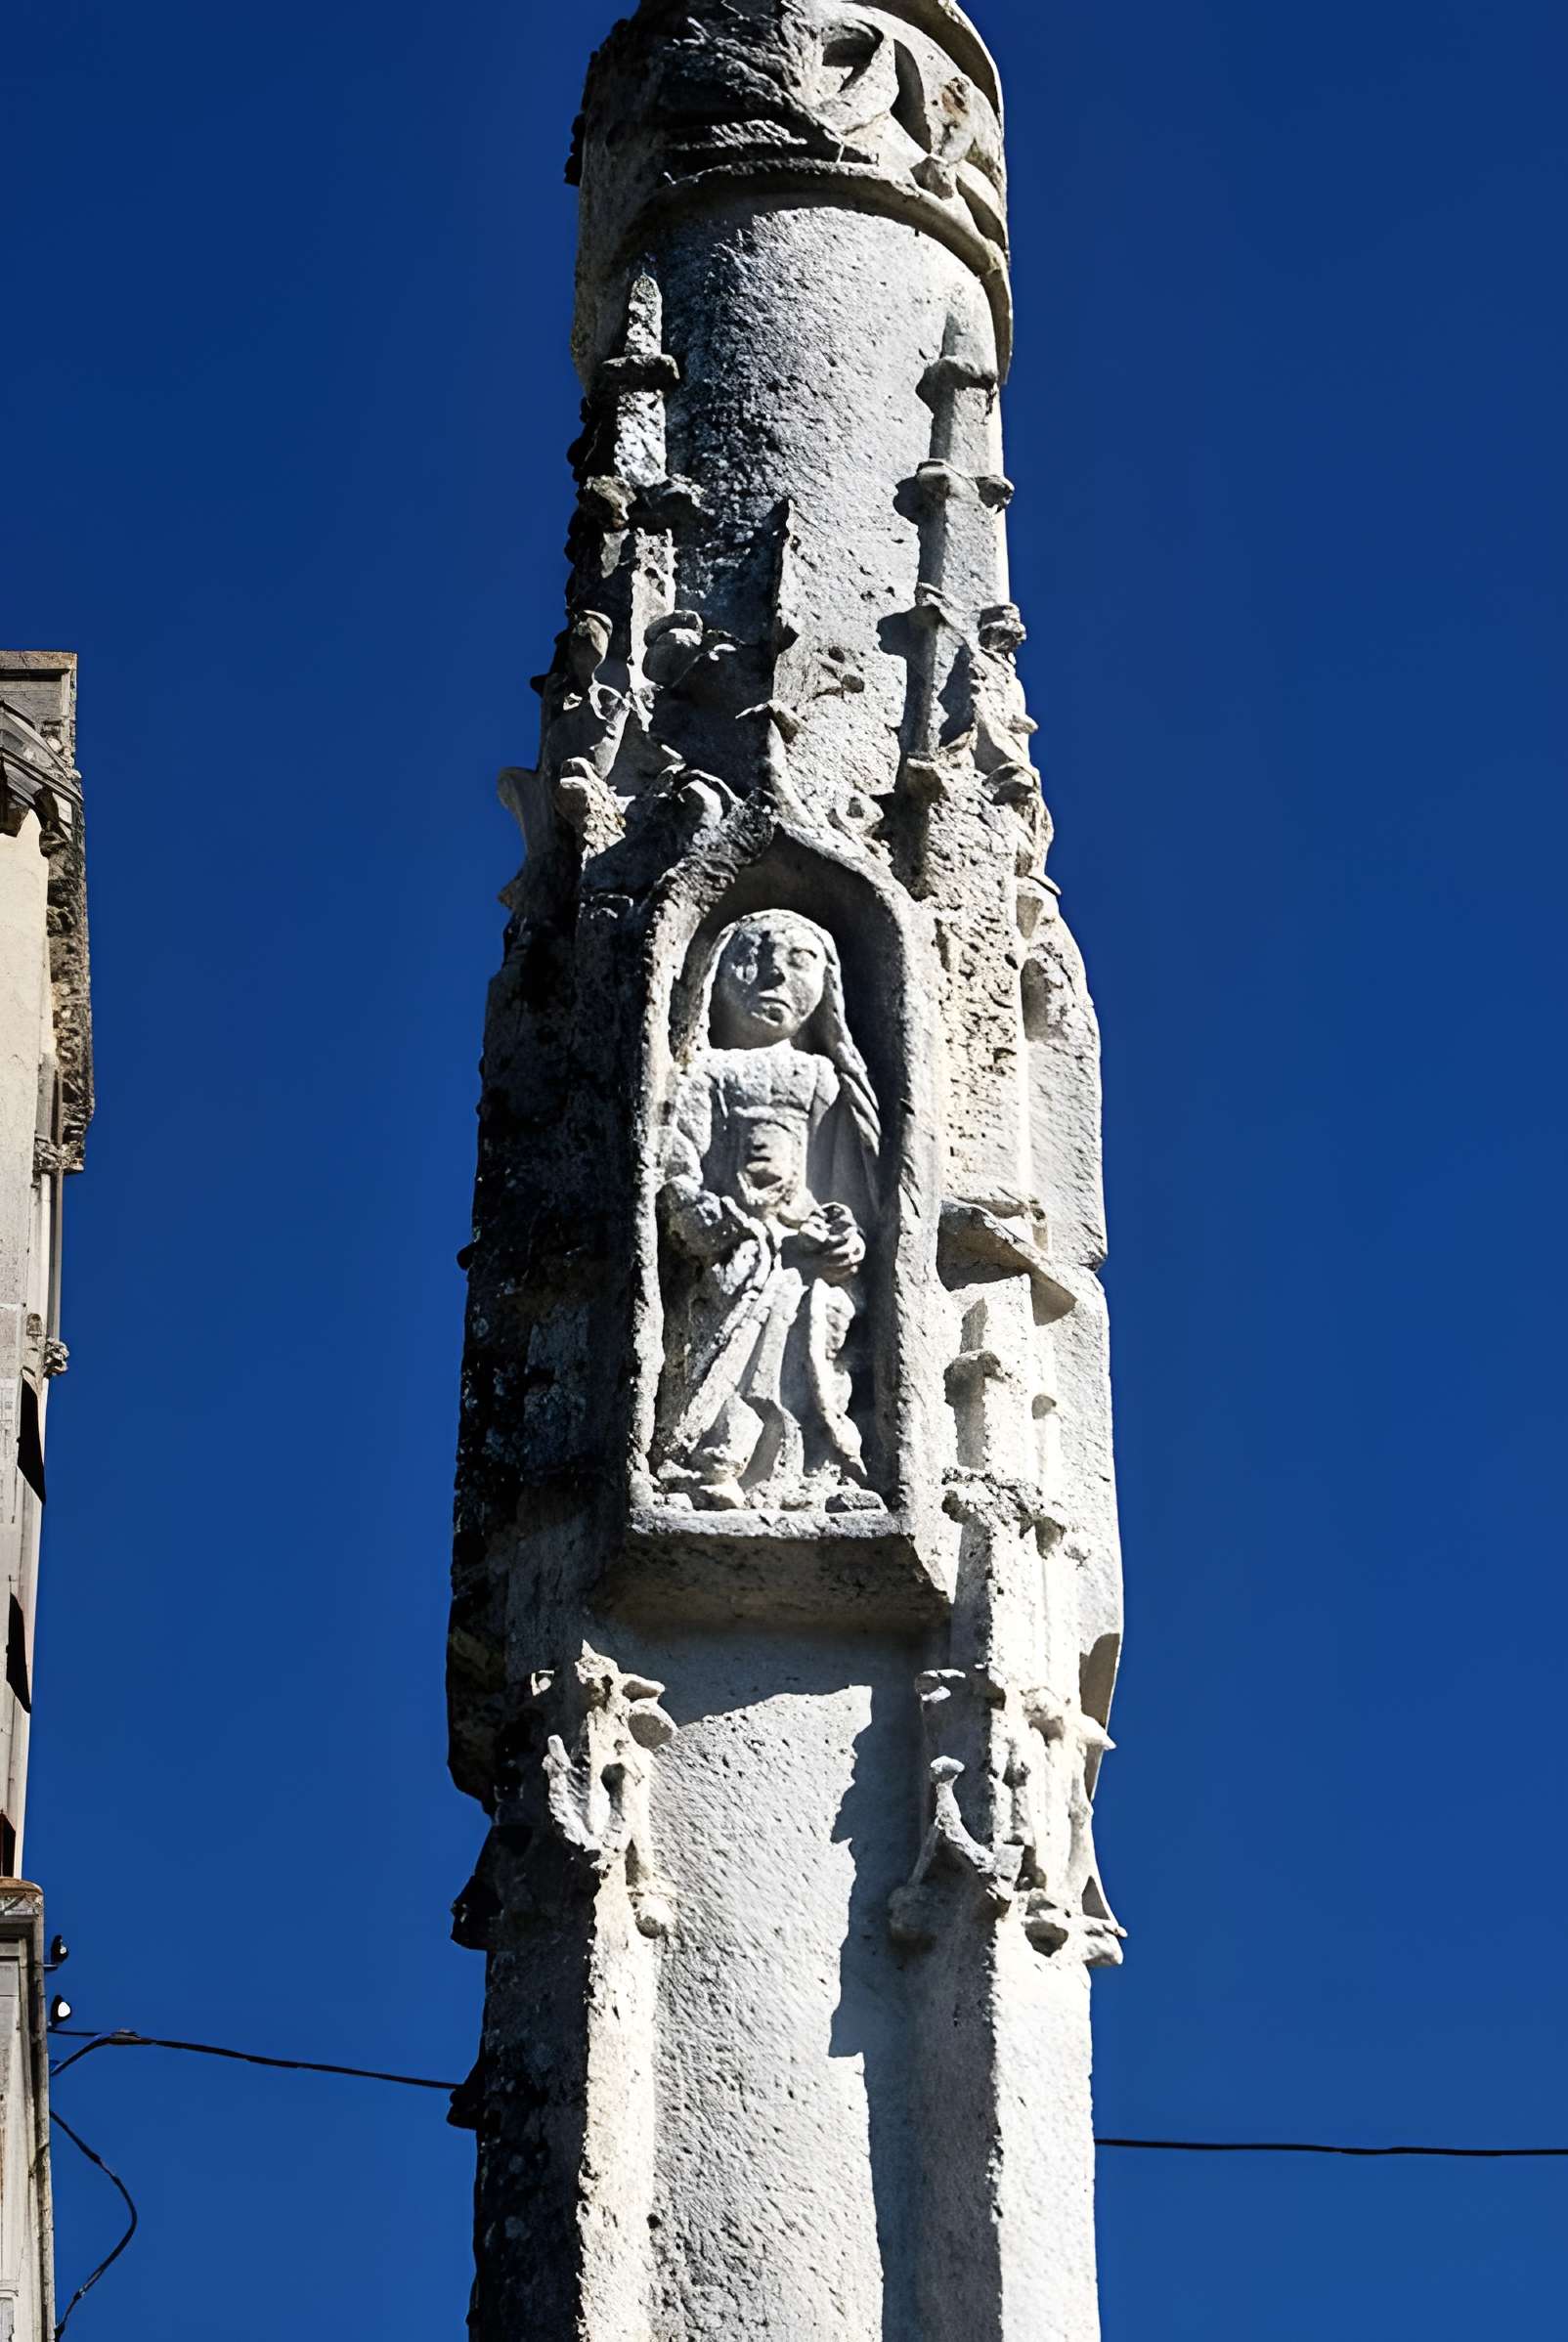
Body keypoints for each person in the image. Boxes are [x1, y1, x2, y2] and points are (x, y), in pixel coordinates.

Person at [654, 909, 882, 1510]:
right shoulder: (708, 1072)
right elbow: (679, 1164)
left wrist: (841, 1237)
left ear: (827, 984)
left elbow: (846, 1194)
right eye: (753, 958)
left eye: (800, 960)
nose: (775, 975)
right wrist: (698, 1212)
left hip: (799, 1254)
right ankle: (711, 1463)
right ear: (715, 974)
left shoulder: (825, 1081)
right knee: (724, 1326)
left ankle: (810, 1472)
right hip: (734, 1247)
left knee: (819, 1331)